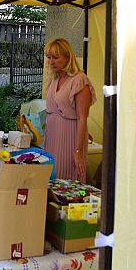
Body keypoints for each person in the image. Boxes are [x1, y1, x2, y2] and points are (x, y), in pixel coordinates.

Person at [43, 38, 96, 182]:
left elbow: (82, 118)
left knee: (66, 177)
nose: (51, 61)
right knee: (50, 176)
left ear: (67, 57)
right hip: (53, 135)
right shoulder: (54, 79)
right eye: (49, 57)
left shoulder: (79, 80)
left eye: (55, 57)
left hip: (70, 135)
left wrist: (78, 151)